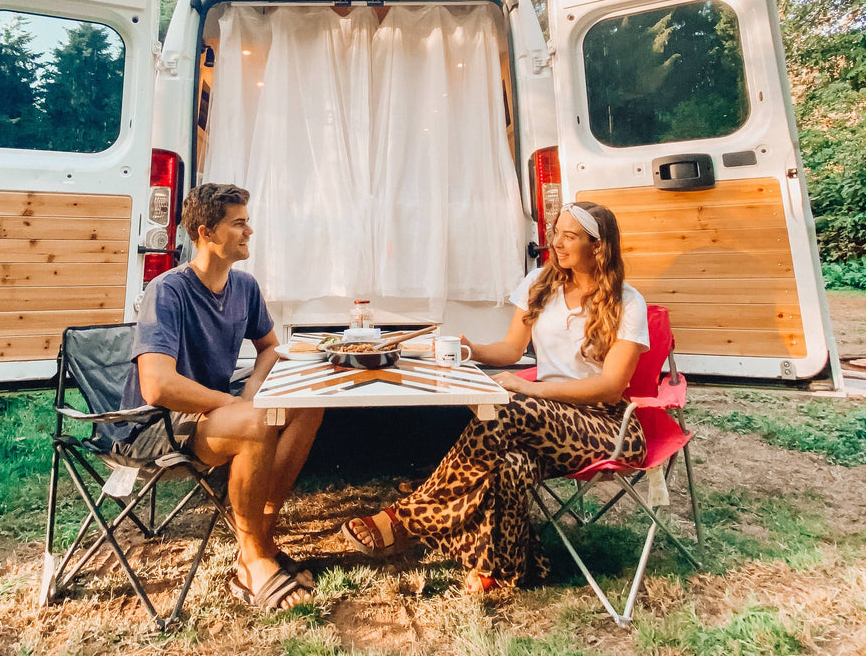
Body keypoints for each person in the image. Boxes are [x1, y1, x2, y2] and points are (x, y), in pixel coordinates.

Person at [340, 201, 649, 592]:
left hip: (605, 427)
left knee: (508, 408)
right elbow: (511, 350)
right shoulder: (541, 283)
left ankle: (406, 520)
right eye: (556, 232)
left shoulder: (627, 301)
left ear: (598, 246)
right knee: (510, 465)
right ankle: (508, 571)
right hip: (545, 419)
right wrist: (470, 348)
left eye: (570, 236)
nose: (557, 243)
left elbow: (610, 386)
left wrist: (533, 389)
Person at [115, 183, 324, 611]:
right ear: (206, 233)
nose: (250, 231)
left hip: (209, 414)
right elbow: (156, 385)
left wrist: (249, 391)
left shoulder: (243, 287)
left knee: (309, 404)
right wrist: (235, 405)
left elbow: (271, 346)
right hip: (154, 426)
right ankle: (252, 563)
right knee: (255, 422)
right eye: (239, 223)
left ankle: (259, 540)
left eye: (247, 221)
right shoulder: (168, 291)